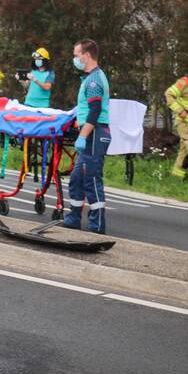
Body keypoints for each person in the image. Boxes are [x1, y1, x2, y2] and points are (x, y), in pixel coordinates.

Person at [64, 39, 111, 234]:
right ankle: (73, 218)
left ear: (87, 55)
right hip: (92, 132)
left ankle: (97, 224)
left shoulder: (93, 80)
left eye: (76, 55)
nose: (75, 59)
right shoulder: (90, 78)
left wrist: (82, 136)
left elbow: (95, 111)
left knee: (91, 178)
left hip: (95, 132)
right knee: (76, 177)